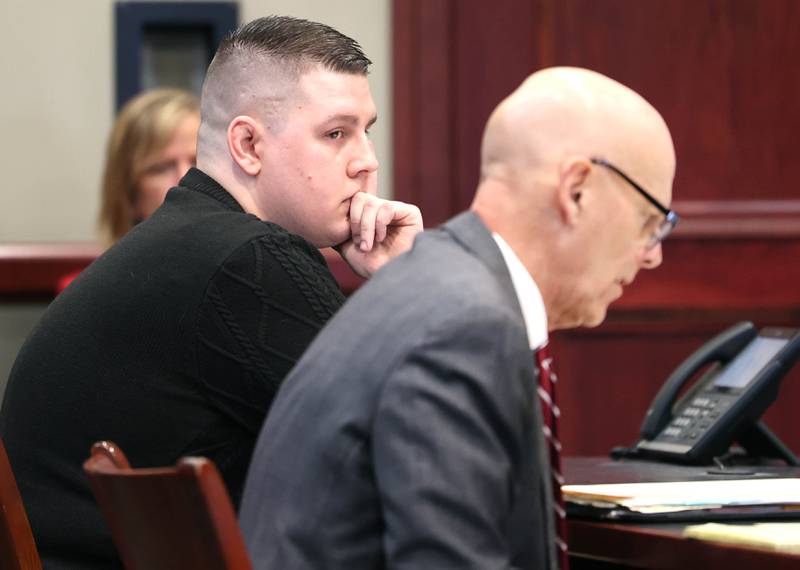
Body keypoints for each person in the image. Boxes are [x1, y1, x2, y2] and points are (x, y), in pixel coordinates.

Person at [0, 15, 422, 570]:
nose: (367, 160)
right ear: (247, 144)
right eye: (336, 133)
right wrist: (413, 283)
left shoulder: (183, 244)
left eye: (367, 129)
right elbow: (421, 448)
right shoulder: (247, 262)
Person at [239, 66, 678, 569]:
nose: (651, 256)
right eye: (650, 222)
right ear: (576, 190)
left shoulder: (438, 289)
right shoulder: (465, 327)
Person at [57, 88, 200, 292]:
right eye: (160, 168)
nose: (186, 179)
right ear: (129, 194)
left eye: (198, 162)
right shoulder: (86, 295)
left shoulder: (250, 277)